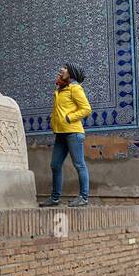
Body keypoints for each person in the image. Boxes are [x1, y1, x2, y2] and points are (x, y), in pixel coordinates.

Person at [44, 64, 91, 207]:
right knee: (55, 165)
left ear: (70, 72)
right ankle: (55, 197)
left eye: (64, 68)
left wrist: (69, 118)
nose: (61, 70)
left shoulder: (75, 88)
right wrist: (53, 120)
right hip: (60, 133)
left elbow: (86, 109)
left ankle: (83, 197)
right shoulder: (61, 89)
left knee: (79, 164)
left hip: (73, 132)